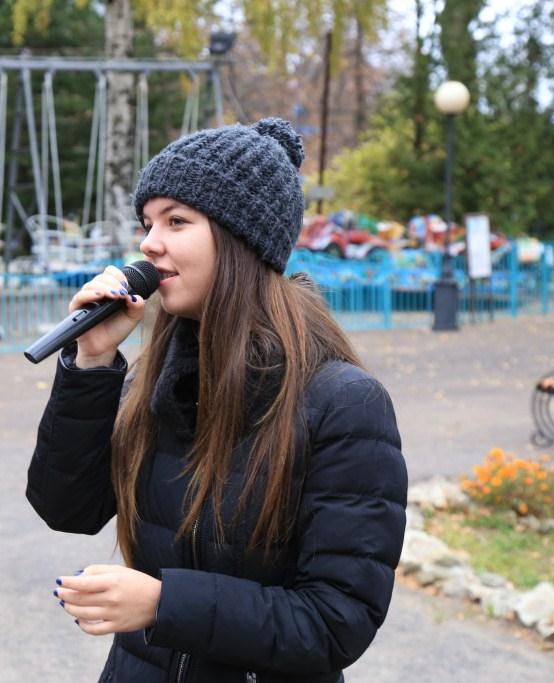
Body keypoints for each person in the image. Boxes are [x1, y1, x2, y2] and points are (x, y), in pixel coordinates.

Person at [26, 118, 407, 683]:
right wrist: (92, 362)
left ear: (240, 240)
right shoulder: (153, 382)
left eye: (176, 221)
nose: (149, 243)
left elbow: (335, 622)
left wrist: (164, 604)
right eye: (147, 223)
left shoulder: (343, 404)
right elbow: (66, 508)